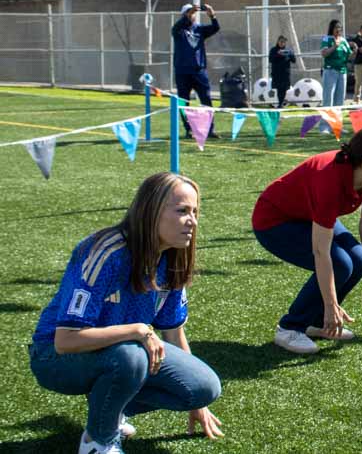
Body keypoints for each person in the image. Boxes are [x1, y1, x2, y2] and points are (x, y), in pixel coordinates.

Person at [29, 173, 223, 454]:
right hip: (53, 357)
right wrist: (138, 330)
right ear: (151, 211)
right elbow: (65, 340)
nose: (192, 220)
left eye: (195, 211)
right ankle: (98, 441)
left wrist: (198, 404)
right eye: (182, 211)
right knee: (131, 355)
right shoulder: (105, 252)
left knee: (204, 387)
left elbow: (173, 332)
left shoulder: (172, 258)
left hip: (121, 353)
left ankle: (108, 413)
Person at [252, 124, 362, 354]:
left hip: (308, 215)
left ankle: (318, 322)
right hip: (274, 221)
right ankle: (290, 327)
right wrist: (332, 305)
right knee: (341, 263)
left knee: (360, 260)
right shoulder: (328, 178)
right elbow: (321, 252)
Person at [171, 3, 220, 139]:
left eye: (193, 13)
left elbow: (215, 28)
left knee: (206, 100)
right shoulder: (178, 29)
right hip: (182, 72)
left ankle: (210, 129)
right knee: (183, 102)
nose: (192, 15)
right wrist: (188, 13)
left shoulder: (199, 29)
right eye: (188, 13)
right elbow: (178, 26)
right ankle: (189, 129)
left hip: (199, 71)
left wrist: (212, 15)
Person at [320, 19, 352, 106]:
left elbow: (349, 56)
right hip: (330, 71)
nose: (338, 30)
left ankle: (337, 119)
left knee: (340, 99)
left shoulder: (343, 40)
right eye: (336, 27)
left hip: (342, 72)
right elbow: (324, 54)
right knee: (328, 97)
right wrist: (334, 46)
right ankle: (326, 120)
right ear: (332, 28)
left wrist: (355, 51)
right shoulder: (327, 39)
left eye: (340, 28)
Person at [268, 35, 296, 108]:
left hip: (285, 74)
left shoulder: (288, 50)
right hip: (276, 73)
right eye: (281, 41)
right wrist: (278, 54)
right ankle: (280, 104)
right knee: (278, 89)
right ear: (278, 41)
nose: (282, 43)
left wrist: (291, 54)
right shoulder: (273, 50)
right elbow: (270, 60)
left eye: (284, 42)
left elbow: (294, 60)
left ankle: (280, 104)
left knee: (283, 89)